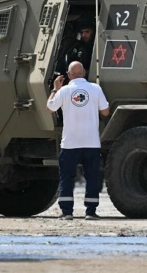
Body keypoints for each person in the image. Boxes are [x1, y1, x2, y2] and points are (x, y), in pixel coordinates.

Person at [46, 61, 110, 220]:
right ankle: (91, 212)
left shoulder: (64, 91)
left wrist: (55, 89)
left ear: (68, 75)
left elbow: (49, 108)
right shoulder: (95, 89)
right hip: (91, 142)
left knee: (67, 176)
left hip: (70, 143)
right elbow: (106, 112)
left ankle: (67, 212)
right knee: (92, 177)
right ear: (84, 72)